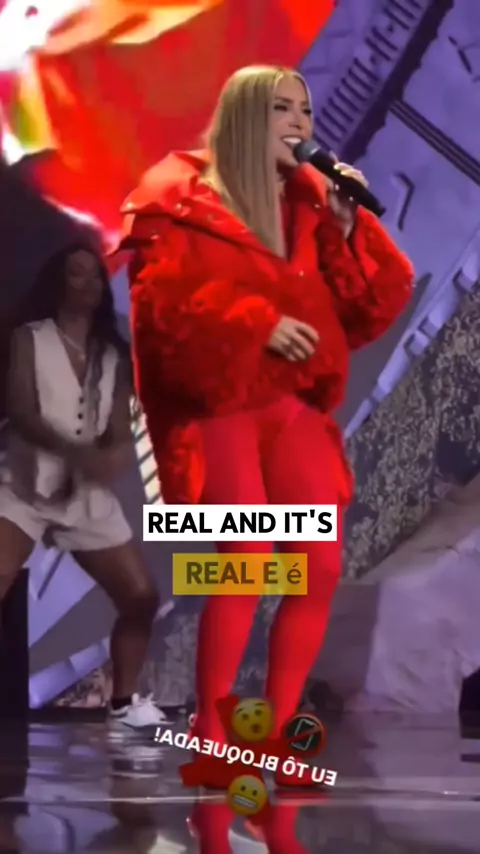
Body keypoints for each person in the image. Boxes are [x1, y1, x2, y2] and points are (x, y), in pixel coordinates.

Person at [121, 65, 414, 784]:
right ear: (245, 116)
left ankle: (276, 735)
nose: (300, 124)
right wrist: (254, 322)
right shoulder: (180, 196)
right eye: (282, 109)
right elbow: (161, 309)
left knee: (319, 566)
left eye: (305, 111)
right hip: (223, 404)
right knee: (247, 558)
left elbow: (369, 309)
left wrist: (348, 230)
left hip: (295, 408)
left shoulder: (312, 202)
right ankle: (213, 737)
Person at [0, 243, 168, 731]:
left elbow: (117, 425)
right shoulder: (30, 338)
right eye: (77, 274)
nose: (90, 284)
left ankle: (124, 703)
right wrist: (79, 456)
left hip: (84, 495)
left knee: (141, 598)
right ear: (58, 282)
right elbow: (23, 410)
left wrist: (113, 453)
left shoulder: (113, 353)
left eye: (96, 275)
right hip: (22, 482)